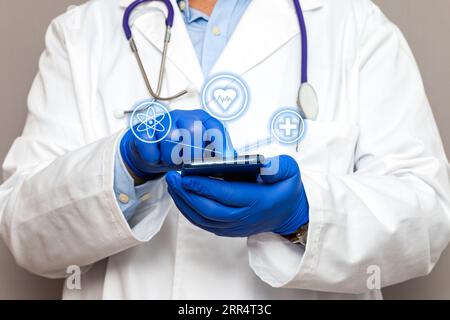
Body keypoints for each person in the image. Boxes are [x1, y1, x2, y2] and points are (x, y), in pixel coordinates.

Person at [1, 0, 449, 300]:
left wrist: (304, 215)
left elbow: (428, 215)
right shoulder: (83, 33)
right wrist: (123, 167)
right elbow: (22, 228)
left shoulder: (355, 25)